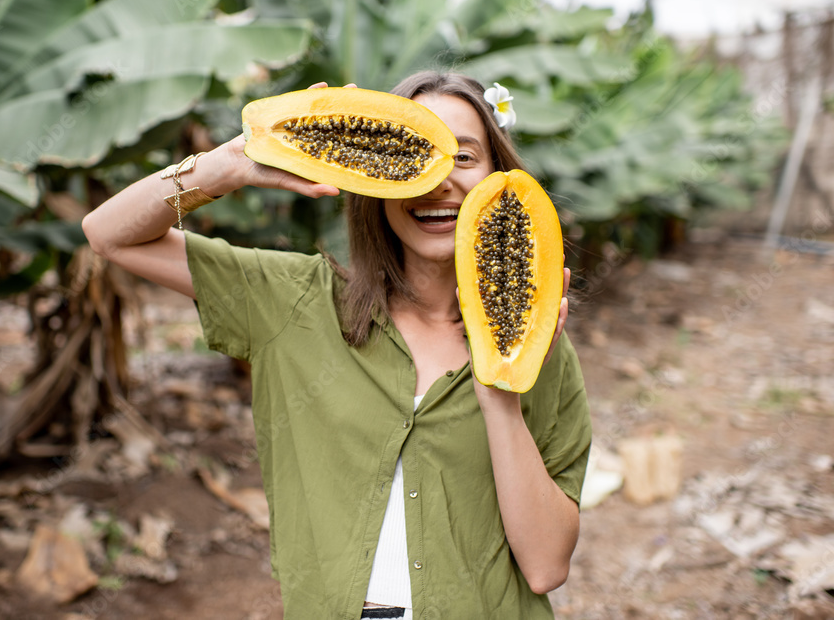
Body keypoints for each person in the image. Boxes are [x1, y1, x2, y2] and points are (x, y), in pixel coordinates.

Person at [82, 71, 591, 619]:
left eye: (464, 157)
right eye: (416, 155)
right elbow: (108, 234)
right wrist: (228, 165)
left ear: (500, 177)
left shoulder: (537, 349)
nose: (441, 180)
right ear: (372, 179)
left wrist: (500, 386)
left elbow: (545, 566)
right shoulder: (295, 302)